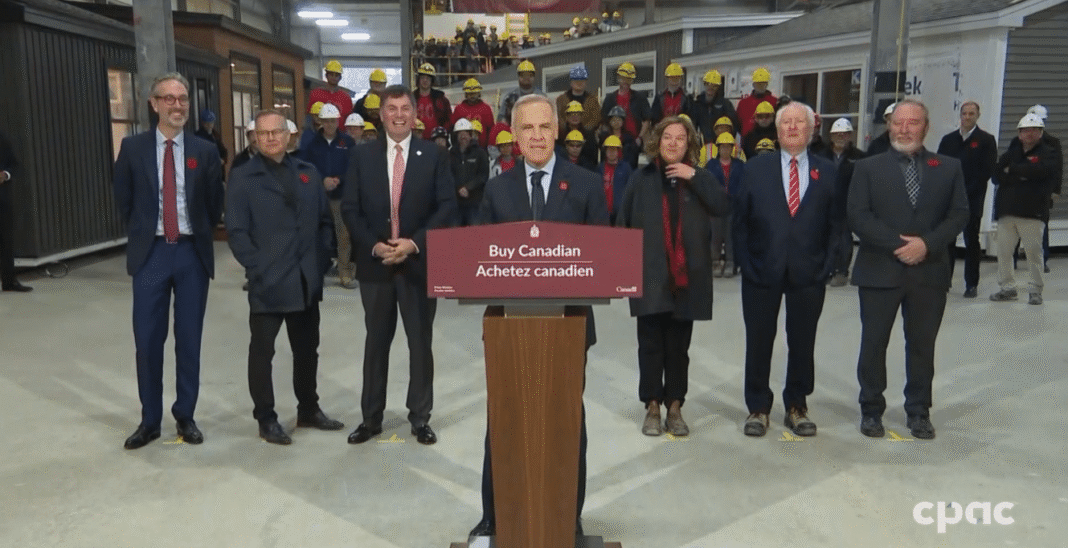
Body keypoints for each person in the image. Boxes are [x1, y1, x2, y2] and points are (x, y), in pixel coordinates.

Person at [470, 93, 608, 539]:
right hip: (508, 330)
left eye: (543, 127)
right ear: (513, 133)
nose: (535, 137)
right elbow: (478, 257)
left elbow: (603, 258)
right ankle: (496, 516)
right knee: (504, 420)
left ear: (557, 131)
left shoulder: (586, 184)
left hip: (568, 328)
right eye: (526, 128)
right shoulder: (496, 189)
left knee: (567, 422)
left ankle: (568, 514)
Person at [112, 72, 224, 449]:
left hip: (192, 253)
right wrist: (147, 233)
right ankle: (149, 420)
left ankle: (186, 415)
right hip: (152, 253)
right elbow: (124, 201)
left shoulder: (204, 151)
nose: (178, 105)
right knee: (147, 340)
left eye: (183, 99)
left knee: (189, 339)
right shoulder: (132, 148)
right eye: (170, 99)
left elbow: (212, 203)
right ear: (154, 103)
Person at [341, 85, 457, 446]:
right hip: (376, 266)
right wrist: (375, 247)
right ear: (381, 114)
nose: (399, 115)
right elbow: (350, 208)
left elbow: (447, 207)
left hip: (418, 265)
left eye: (406, 108)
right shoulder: (362, 156)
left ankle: (420, 416)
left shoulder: (433, 156)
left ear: (414, 113)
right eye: (392, 108)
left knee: (419, 343)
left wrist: (413, 244)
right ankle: (371, 418)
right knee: (376, 343)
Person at [848, 99, 969, 440]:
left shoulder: (948, 167)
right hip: (879, 270)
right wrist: (898, 245)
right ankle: (871, 410)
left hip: (928, 273)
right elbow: (858, 215)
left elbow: (959, 214)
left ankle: (918, 411)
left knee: (921, 346)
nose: (904, 129)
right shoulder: (867, 168)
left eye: (912, 123)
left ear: (925, 127)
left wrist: (926, 245)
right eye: (898, 123)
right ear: (889, 126)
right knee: (873, 345)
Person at [225, 109, 344, 445]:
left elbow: (324, 222)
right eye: (263, 134)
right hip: (269, 280)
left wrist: (321, 262)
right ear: (254, 138)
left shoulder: (307, 172)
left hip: (306, 279)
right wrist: (256, 267)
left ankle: (309, 408)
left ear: (289, 135)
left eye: (276, 132)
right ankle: (266, 417)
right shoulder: (243, 177)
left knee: (307, 350)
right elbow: (236, 230)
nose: (270, 138)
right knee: (263, 352)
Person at [617, 116, 730, 437]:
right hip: (651, 277)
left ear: (689, 144)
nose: (673, 143)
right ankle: (652, 405)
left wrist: (694, 175)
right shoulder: (641, 178)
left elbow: (722, 205)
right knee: (650, 345)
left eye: (680, 138)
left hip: (687, 280)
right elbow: (623, 223)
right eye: (667, 137)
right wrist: (623, 272)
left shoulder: (700, 177)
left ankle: (675, 406)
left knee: (679, 348)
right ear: (657, 140)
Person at [733, 102, 839, 438]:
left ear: (811, 129)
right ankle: (758, 407)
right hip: (761, 272)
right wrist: (746, 264)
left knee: (803, 341)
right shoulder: (755, 169)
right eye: (786, 123)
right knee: (759, 341)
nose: (792, 128)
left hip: (808, 274)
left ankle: (797, 405)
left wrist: (828, 265)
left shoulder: (828, 170)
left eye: (799, 123)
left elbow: (836, 223)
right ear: (777, 131)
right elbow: (740, 222)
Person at [989, 113, 1059, 306]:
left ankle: (1035, 290)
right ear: (1019, 134)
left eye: (1034, 130)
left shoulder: (1049, 153)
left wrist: (1013, 171)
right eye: (1025, 130)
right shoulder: (1011, 153)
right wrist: (1025, 174)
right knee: (1004, 252)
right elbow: (995, 175)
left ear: (1040, 133)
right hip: (1007, 212)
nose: (1029, 134)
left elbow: (1042, 172)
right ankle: (1007, 287)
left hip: (1033, 213)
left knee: (1034, 254)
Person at [936, 101, 998, 297]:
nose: (967, 117)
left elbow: (986, 171)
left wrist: (965, 192)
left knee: (972, 241)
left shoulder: (986, 140)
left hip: (972, 198)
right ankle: (944, 280)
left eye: (971, 113)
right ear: (960, 115)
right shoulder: (948, 140)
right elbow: (939, 166)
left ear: (977, 116)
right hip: (950, 200)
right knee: (947, 242)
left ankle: (971, 284)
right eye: (964, 113)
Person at [298, 103, 357, 289]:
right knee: (315, 235)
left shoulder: (347, 143)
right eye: (326, 121)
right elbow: (303, 170)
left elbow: (355, 169)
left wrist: (339, 180)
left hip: (341, 196)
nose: (330, 125)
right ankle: (315, 273)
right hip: (318, 197)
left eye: (333, 121)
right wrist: (321, 180)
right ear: (320, 121)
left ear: (338, 121)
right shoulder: (311, 144)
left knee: (344, 235)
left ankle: (345, 274)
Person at [821, 117, 865, 287]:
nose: (841, 138)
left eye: (844, 135)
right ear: (831, 136)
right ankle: (826, 270)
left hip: (848, 204)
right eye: (837, 135)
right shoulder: (821, 156)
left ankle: (841, 272)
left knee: (844, 239)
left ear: (850, 136)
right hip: (825, 204)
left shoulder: (858, 157)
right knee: (825, 239)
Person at [708, 132, 745, 278]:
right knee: (715, 235)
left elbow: (743, 184)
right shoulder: (711, 165)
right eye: (722, 147)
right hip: (716, 206)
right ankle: (715, 261)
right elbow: (707, 184)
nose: (725, 150)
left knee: (730, 235)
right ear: (718, 148)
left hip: (733, 205)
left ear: (732, 148)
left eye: (728, 147)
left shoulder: (739, 165)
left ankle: (731, 262)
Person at [0, 129, 30, 292]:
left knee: (6, 240)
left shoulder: (2, 137)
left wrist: (5, 174)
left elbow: (14, 164)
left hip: (2, 199)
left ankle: (9, 281)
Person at [601, 62, 650, 150]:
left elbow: (646, 120)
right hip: (613, 141)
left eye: (629, 79)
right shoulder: (610, 98)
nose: (626, 82)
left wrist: (639, 138)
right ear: (618, 78)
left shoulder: (639, 97)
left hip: (632, 142)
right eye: (623, 78)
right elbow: (604, 121)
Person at [450, 118, 489, 226]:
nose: (463, 137)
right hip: (456, 203)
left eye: (466, 133)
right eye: (460, 134)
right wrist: (458, 188)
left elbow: (483, 176)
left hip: (475, 203)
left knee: (474, 235)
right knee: (455, 235)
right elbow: (448, 175)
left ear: (470, 135)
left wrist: (468, 187)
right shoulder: (451, 154)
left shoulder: (480, 153)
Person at [693, 69, 739, 144]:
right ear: (704, 84)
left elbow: (733, 126)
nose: (710, 88)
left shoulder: (726, 104)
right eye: (708, 84)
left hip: (721, 144)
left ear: (718, 87)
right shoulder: (697, 104)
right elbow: (692, 125)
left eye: (714, 85)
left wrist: (727, 142)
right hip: (703, 145)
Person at [555, 65, 601, 132]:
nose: (579, 83)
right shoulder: (561, 100)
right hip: (565, 137)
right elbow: (558, 118)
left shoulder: (593, 101)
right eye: (576, 80)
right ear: (571, 82)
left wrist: (584, 129)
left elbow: (596, 119)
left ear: (586, 82)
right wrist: (567, 128)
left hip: (587, 137)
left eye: (582, 80)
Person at [450, 78, 493, 148]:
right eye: (470, 93)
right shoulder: (459, 109)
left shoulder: (486, 109)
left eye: (474, 93)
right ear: (466, 94)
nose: (472, 95)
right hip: (462, 149)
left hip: (482, 149)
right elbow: (453, 131)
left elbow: (490, 131)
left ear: (479, 93)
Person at [598, 134, 632, 224]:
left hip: (620, 212)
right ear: (605, 151)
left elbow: (630, 190)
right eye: (609, 149)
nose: (611, 152)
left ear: (618, 151)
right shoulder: (600, 168)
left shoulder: (626, 168)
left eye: (614, 149)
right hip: (603, 211)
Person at [413, 63, 452, 139]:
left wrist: (442, 135)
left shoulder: (441, 99)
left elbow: (448, 119)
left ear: (432, 80)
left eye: (428, 78)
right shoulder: (411, 98)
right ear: (419, 79)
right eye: (422, 77)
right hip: (416, 140)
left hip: (435, 140)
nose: (425, 80)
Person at [736, 68, 777, 136]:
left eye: (763, 83)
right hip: (748, 142)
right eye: (758, 83)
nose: (760, 86)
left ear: (767, 84)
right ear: (753, 85)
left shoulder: (774, 102)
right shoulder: (743, 103)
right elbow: (738, 124)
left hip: (768, 142)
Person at [598, 105, 641, 170]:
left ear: (623, 122)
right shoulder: (604, 137)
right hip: (607, 168)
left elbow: (633, 159)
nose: (616, 122)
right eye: (614, 120)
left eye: (619, 120)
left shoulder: (629, 138)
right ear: (610, 122)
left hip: (624, 169)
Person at [558, 101, 598, 168]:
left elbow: (593, 158)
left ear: (582, 116)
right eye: (572, 114)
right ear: (567, 117)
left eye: (578, 114)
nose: (575, 117)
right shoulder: (560, 135)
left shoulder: (588, 135)